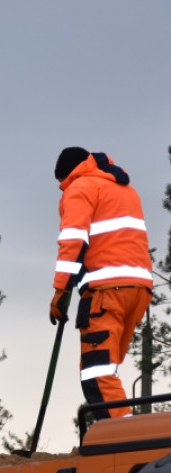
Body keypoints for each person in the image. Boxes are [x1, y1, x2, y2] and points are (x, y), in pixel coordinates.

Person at [49, 147, 153, 419]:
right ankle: (124, 436)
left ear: (67, 174)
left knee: (98, 375)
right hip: (138, 289)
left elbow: (73, 239)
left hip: (106, 292)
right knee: (108, 370)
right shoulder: (123, 189)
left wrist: (61, 290)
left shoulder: (80, 187)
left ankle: (122, 442)